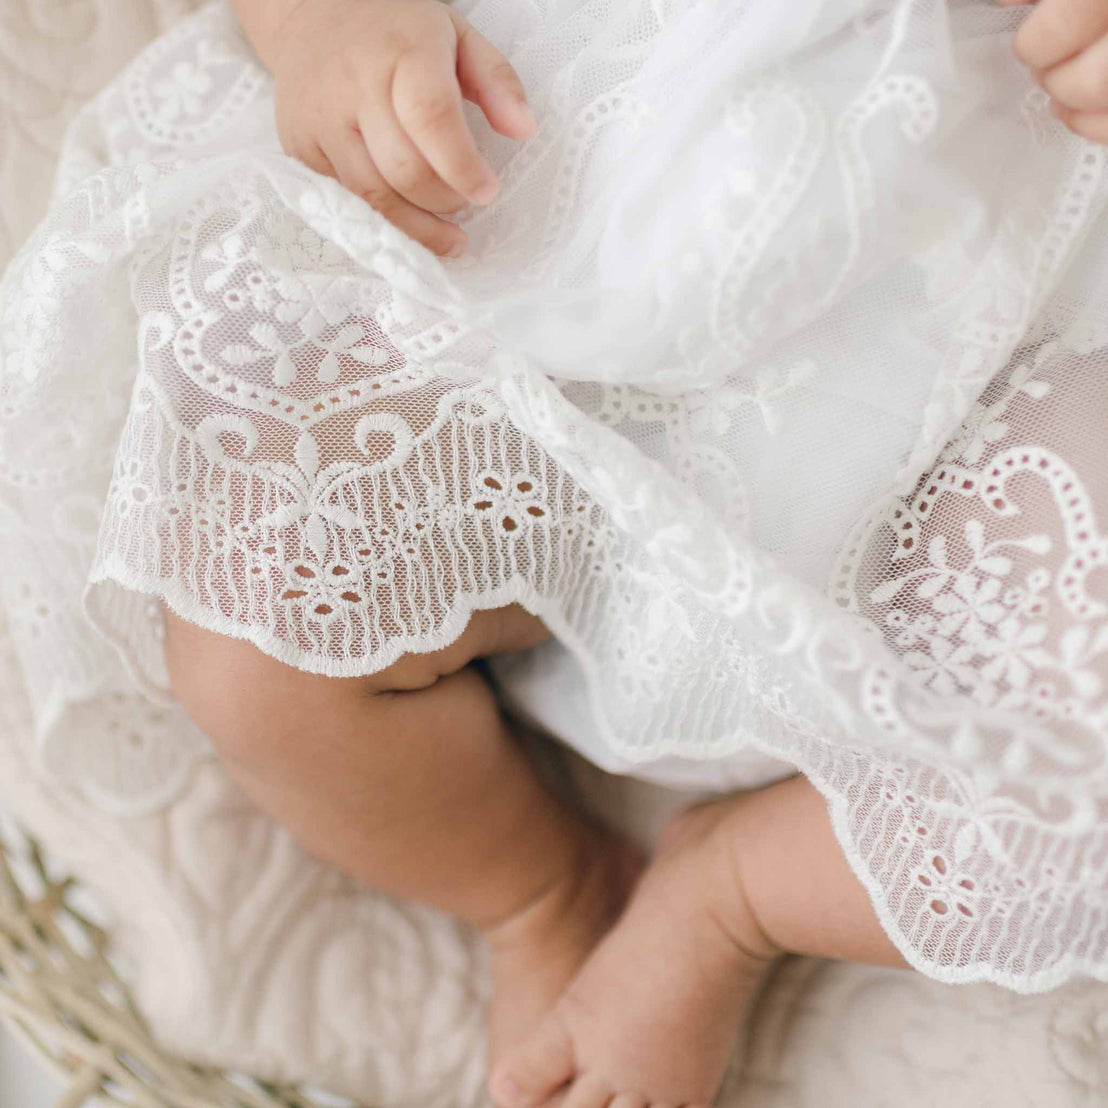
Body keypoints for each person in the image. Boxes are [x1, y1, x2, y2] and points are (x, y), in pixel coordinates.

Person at [3, 0, 1108, 1105]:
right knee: (251, 638)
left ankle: (733, 889)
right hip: (552, 246)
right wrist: (325, 27)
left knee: (1078, 807)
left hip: (993, 342)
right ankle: (538, 888)